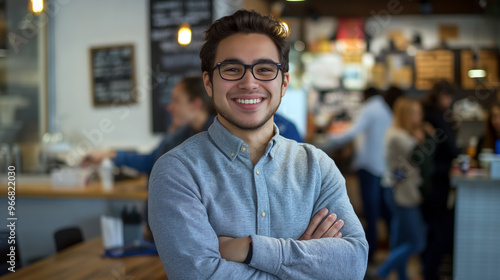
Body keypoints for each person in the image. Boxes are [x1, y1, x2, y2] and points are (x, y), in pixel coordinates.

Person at [149, 10, 368, 279]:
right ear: (209, 82)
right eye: (232, 69)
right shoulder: (177, 172)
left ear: (284, 82)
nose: (249, 83)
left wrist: (250, 249)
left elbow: (353, 264)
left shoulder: (318, 167)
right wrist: (305, 260)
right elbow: (199, 276)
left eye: (264, 69)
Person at [82, 76, 216, 173]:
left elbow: (152, 163)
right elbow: (154, 160)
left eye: (176, 101)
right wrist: (110, 155)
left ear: (196, 104)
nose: (169, 107)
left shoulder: (215, 137)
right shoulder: (185, 132)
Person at [323, 86, 392, 264]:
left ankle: (368, 256)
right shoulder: (384, 109)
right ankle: (383, 252)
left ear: (366, 96)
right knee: (381, 212)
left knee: (370, 212)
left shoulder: (370, 109)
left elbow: (352, 131)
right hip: (381, 166)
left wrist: (328, 139)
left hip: (369, 167)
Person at [376, 98, 431, 280]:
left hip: (398, 191)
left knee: (399, 241)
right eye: (416, 112)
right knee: (417, 242)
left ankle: (401, 276)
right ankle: (382, 272)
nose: (420, 116)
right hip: (402, 194)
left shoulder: (399, 133)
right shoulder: (399, 136)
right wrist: (426, 137)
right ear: (407, 115)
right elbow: (420, 155)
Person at [420, 80, 459, 280]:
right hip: (437, 180)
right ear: (444, 95)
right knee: (440, 231)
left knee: (432, 230)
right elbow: (451, 148)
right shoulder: (438, 118)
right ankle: (431, 273)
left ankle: (428, 270)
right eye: (449, 97)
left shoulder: (426, 113)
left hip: (427, 181)